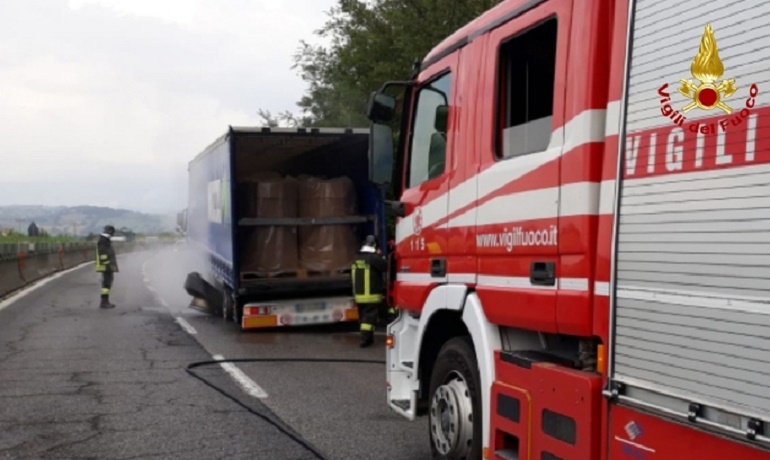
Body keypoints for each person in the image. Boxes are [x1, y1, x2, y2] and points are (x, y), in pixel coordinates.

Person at [351, 235, 387, 348]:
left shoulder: (357, 258)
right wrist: (381, 256)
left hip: (359, 295)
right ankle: (365, 340)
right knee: (368, 318)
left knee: (364, 318)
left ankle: (367, 338)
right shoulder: (373, 258)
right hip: (371, 295)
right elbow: (385, 266)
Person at [95, 225, 119, 309]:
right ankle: (104, 302)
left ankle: (105, 301)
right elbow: (103, 253)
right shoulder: (103, 241)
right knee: (107, 283)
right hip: (106, 266)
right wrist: (107, 263)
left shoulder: (104, 240)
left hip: (106, 265)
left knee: (108, 282)